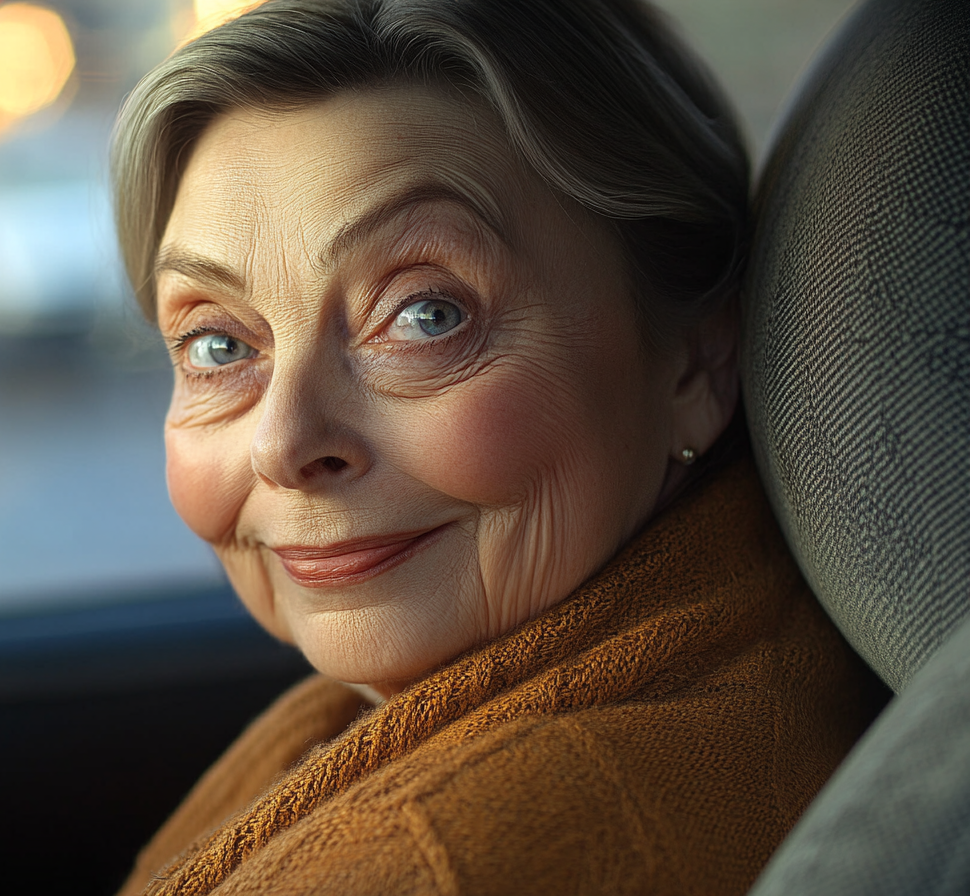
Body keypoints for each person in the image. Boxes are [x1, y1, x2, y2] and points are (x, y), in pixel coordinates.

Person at [109, 1, 888, 893]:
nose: (284, 444)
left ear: (694, 364)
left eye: (425, 315)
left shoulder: (438, 864)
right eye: (219, 345)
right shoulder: (753, 665)